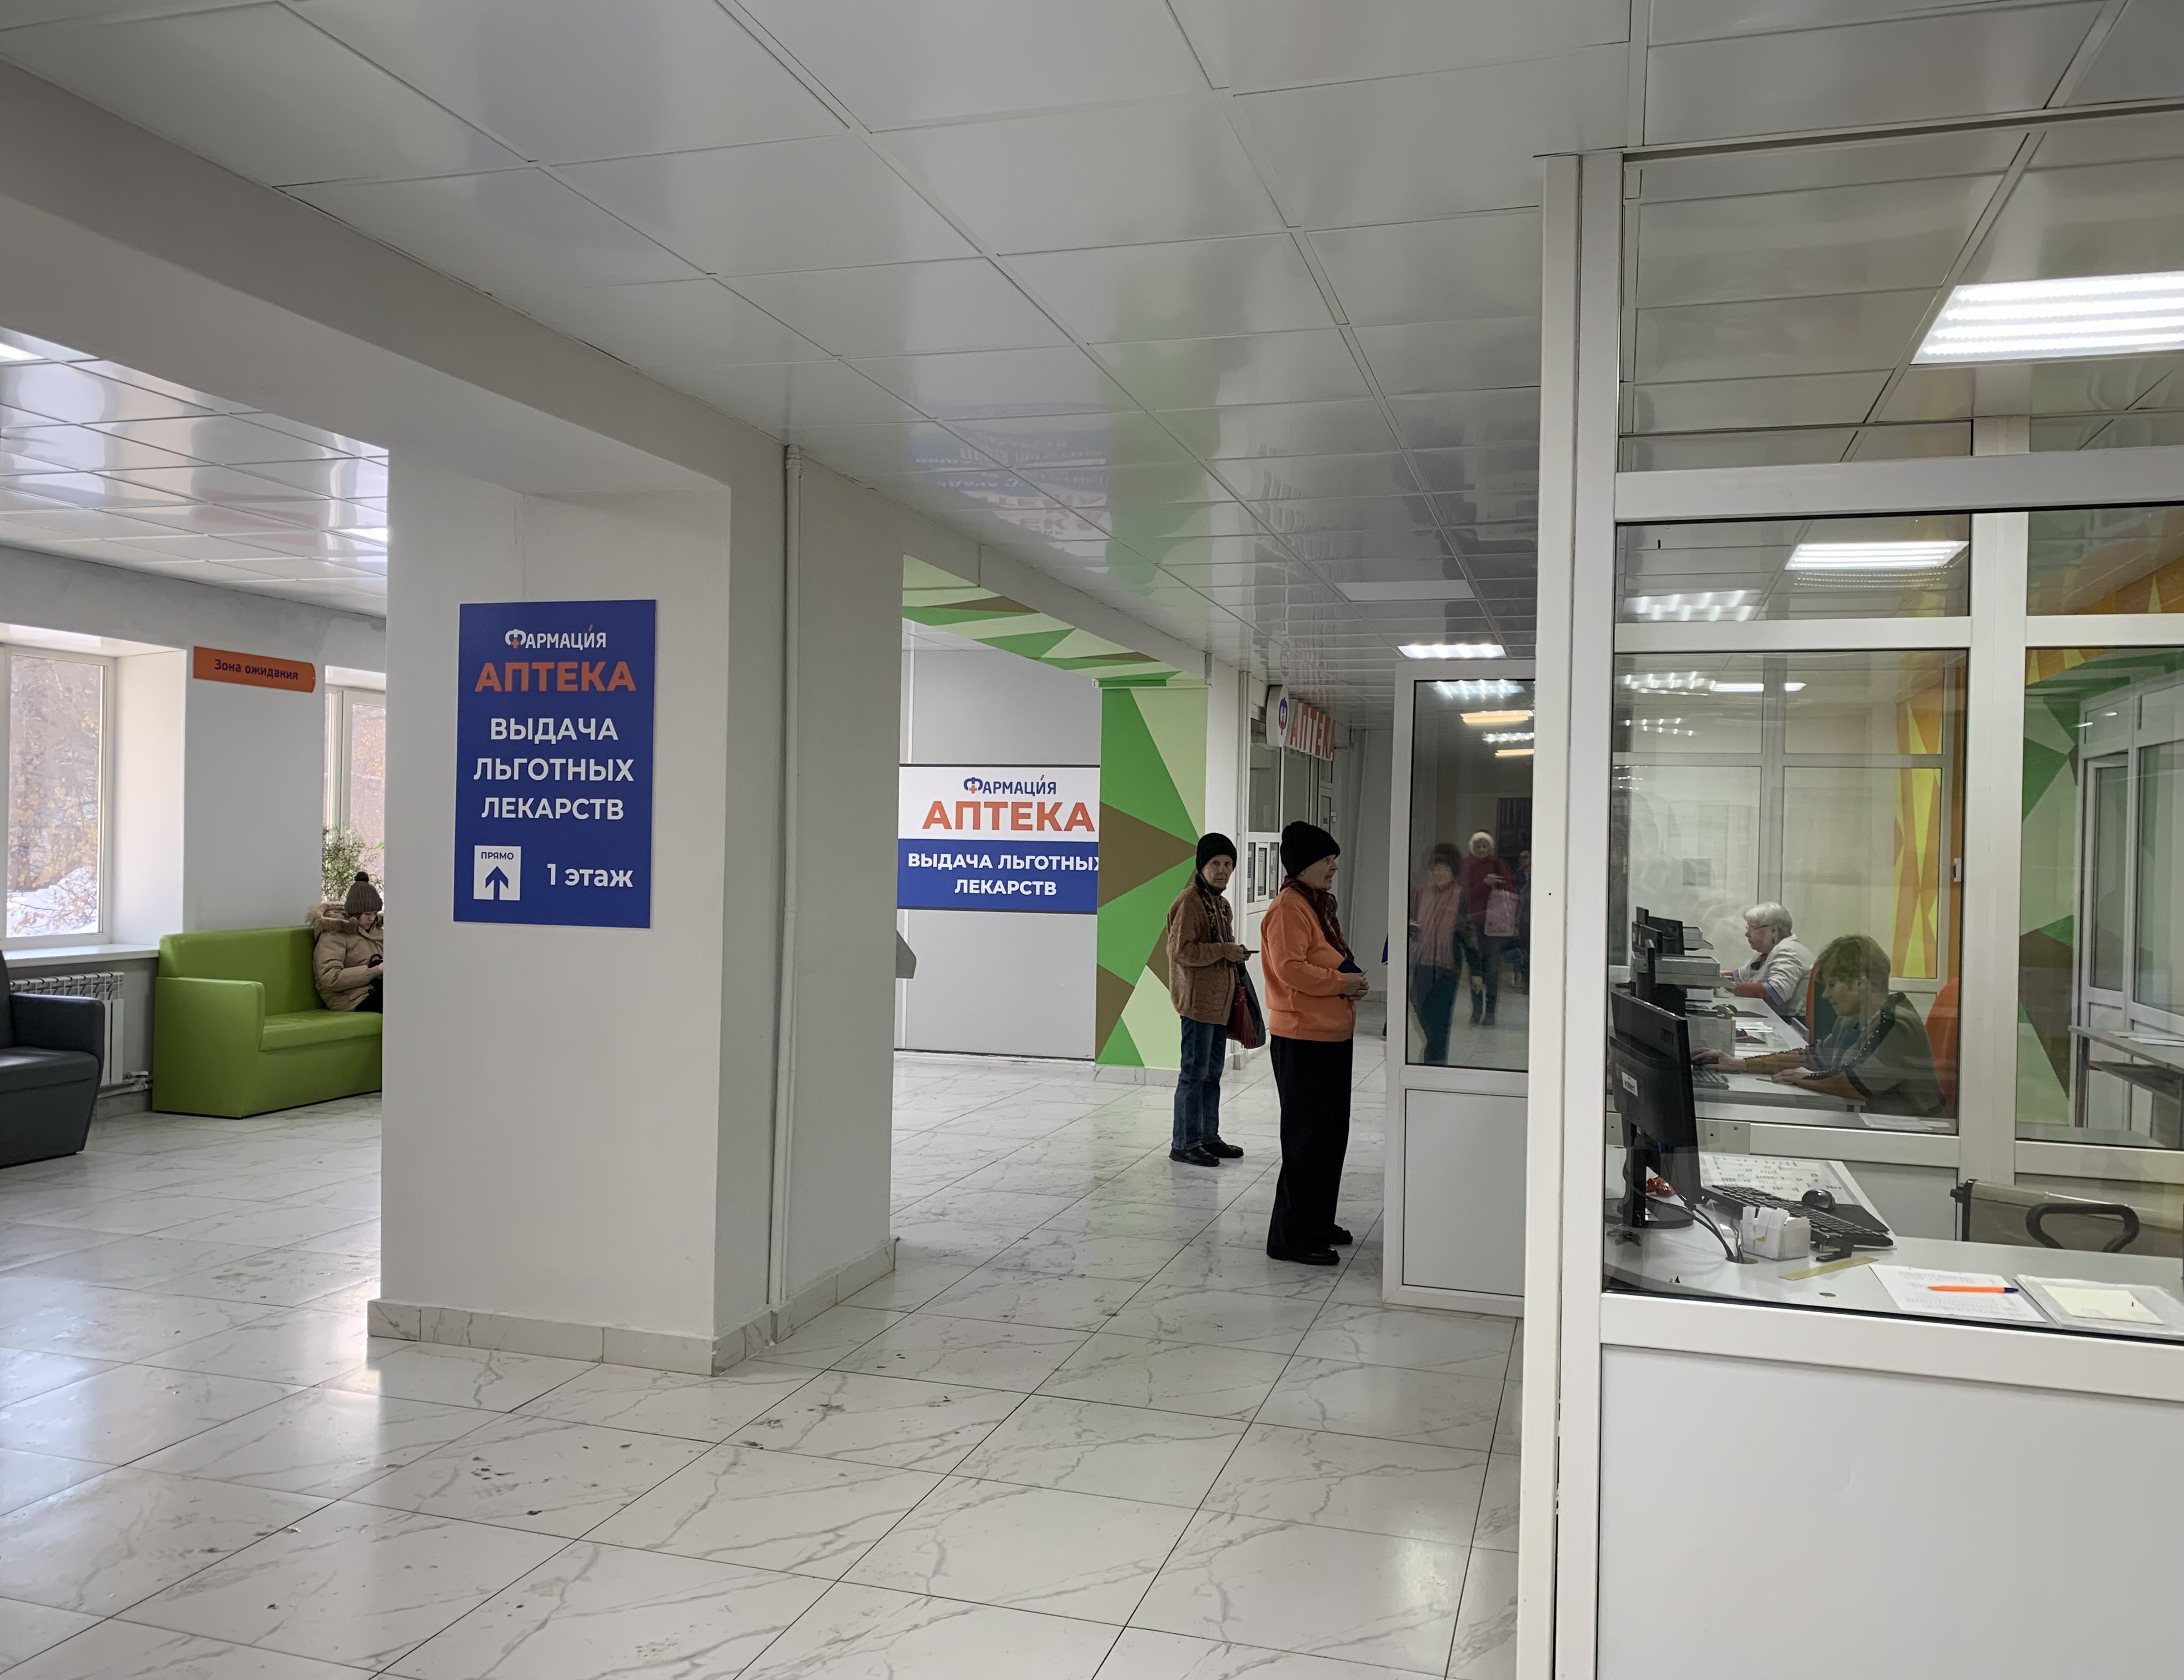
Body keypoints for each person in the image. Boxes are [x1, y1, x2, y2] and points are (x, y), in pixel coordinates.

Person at [1261, 821, 1368, 1265]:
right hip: (1302, 1038)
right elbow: (1291, 968)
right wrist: (1342, 982)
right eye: (1327, 859)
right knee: (1306, 1141)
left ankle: (1318, 1222)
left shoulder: (1315, 906)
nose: (1333, 867)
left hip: (1329, 1035)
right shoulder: (1290, 908)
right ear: (1305, 864)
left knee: (1329, 1137)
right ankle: (1291, 1237)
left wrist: (1348, 983)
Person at [1697, 933, 1942, 1115]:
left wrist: (1808, 1077)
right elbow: (1812, 1057)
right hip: (1862, 1115)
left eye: (1833, 985)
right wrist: (1741, 1064)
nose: (1826, 995)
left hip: (1907, 1130)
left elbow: (1855, 1084)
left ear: (1861, 983)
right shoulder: (1852, 1019)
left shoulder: (1896, 1024)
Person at [1163, 833, 1250, 1166]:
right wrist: (1222, 950)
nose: (1223, 870)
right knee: (1194, 1074)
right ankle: (1184, 1143)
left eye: (1228, 864)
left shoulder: (1221, 904)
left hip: (1219, 1003)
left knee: (1212, 1074)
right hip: (1197, 1003)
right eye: (1216, 863)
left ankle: (1208, 1137)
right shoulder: (1191, 901)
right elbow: (1180, 951)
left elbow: (1217, 947)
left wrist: (1234, 952)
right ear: (1202, 866)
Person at [1408, 843, 1464, 1063]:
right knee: (1418, 1003)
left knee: (1441, 1018)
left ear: (1453, 872)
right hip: (1422, 961)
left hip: (1447, 967)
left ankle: (1436, 1061)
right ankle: (1435, 1053)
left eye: (1445, 869)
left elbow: (1468, 935)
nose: (1440, 872)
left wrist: (1478, 971)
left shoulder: (1461, 896)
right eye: (1437, 868)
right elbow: (1410, 921)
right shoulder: (1421, 893)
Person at [1456, 831, 1518, 1026]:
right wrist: (1485, 884)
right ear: (1472, 847)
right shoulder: (1466, 866)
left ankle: (1490, 1011)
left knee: (1492, 968)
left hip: (1495, 925)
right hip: (1472, 922)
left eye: (1485, 846)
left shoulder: (1499, 865)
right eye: (1478, 846)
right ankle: (1477, 1009)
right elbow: (1464, 894)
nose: (1482, 849)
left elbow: (1511, 893)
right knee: (1475, 967)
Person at [1726, 901, 1814, 1029]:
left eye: (1753, 928)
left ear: (1774, 931)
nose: (1747, 933)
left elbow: (1775, 993)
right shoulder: (1766, 952)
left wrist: (1726, 986)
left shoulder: (1789, 951)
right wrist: (1709, 977)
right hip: (1772, 1020)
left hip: (1789, 1026)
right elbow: (1738, 977)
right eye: (1748, 927)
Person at [311, 871, 385, 1013]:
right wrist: (375, 971)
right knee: (400, 1004)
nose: (371, 918)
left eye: (375, 913)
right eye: (367, 914)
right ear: (355, 913)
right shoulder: (334, 934)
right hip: (349, 999)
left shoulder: (378, 931)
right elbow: (330, 978)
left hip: (377, 991)